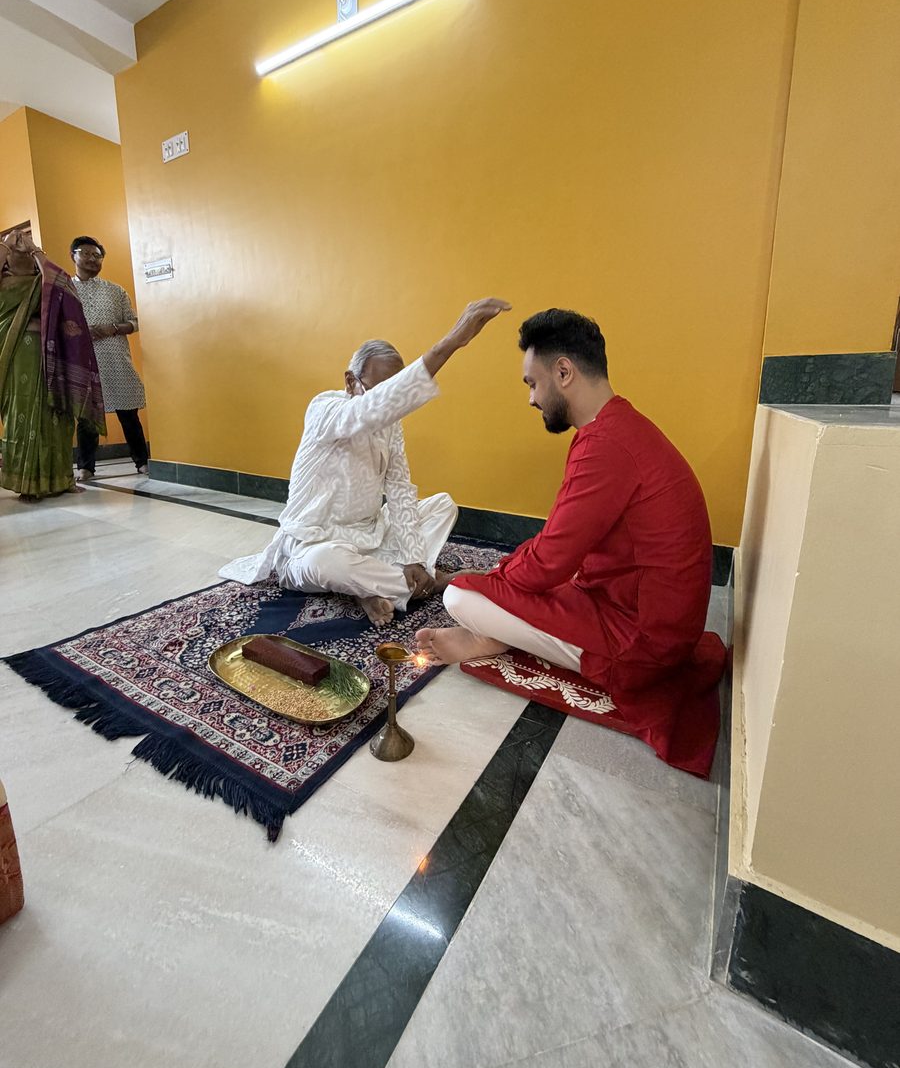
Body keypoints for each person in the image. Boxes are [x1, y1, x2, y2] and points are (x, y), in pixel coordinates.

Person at [416, 308, 726, 776]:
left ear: (564, 372)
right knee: (513, 578)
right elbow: (560, 543)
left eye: (532, 383)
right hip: (644, 613)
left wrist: (487, 579)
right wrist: (506, 575)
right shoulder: (622, 426)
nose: (531, 398)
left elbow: (548, 563)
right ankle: (498, 632)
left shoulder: (604, 445)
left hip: (643, 645)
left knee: (460, 594)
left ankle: (491, 637)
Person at [220, 298, 511, 626]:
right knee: (328, 564)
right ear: (350, 381)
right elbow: (371, 409)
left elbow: (398, 489)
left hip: (369, 535)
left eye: (392, 393)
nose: (388, 405)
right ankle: (429, 583)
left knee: (442, 506)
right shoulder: (325, 410)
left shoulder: (391, 427)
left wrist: (413, 557)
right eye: (377, 391)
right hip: (313, 543)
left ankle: (371, 586)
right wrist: (450, 343)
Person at [0, 229, 104, 500]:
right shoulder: (4, 281)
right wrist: (7, 246)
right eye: (13, 251)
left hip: (52, 357)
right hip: (16, 359)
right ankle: (28, 483)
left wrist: (35, 251)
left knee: (58, 415)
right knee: (22, 414)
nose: (19, 247)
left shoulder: (47, 281)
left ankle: (61, 478)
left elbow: (62, 284)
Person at [70, 235, 149, 480]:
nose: (92, 259)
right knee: (87, 417)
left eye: (97, 255)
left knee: (129, 414)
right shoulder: (66, 291)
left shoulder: (115, 290)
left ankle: (142, 462)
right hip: (83, 361)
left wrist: (112, 328)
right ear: (73, 256)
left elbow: (135, 322)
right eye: (86, 253)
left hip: (116, 361)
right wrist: (81, 332)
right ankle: (86, 467)